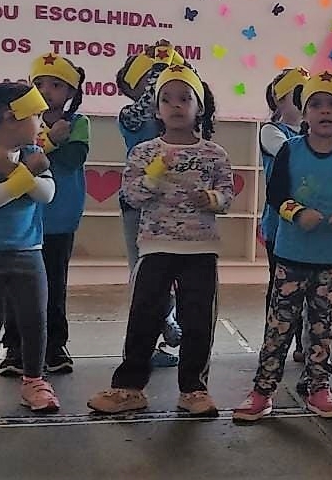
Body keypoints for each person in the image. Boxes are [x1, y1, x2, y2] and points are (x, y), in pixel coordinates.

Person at [88, 64, 232, 417]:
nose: (175, 105)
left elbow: (227, 196)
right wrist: (154, 175)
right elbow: (132, 196)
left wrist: (211, 199)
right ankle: (129, 388)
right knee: (144, 316)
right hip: (155, 246)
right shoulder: (144, 152)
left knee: (197, 320)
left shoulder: (214, 154)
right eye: (166, 99)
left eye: (184, 98)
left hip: (200, 248)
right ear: (156, 108)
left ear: (199, 107)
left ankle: (193, 389)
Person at [233, 71, 332, 421]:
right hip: (292, 256)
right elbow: (276, 194)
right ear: (305, 112)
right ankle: (263, 391)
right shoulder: (289, 151)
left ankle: (319, 388)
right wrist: (296, 212)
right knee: (279, 327)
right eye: (316, 104)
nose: (325, 111)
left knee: (323, 329)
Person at [0, 82, 60, 418]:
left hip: (29, 251)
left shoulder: (34, 155)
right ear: (10, 117)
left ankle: (34, 381)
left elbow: (47, 194)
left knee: (34, 319)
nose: (42, 124)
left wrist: (15, 172)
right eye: (37, 116)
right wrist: (23, 176)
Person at [0, 53, 90, 376]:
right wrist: (51, 140)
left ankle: (54, 346)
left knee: (53, 284)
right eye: (39, 83)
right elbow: (15, 159)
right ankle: (15, 348)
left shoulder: (78, 124)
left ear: (71, 92)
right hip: (21, 219)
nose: (46, 90)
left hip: (59, 219)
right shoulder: (21, 123)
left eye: (56, 85)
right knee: (16, 286)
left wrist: (46, 146)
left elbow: (72, 159)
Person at [117, 41, 188, 367]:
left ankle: (164, 322)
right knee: (144, 274)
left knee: (172, 273)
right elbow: (145, 103)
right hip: (140, 205)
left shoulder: (175, 118)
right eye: (153, 80)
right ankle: (140, 345)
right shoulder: (131, 116)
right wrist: (160, 69)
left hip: (174, 205)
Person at [259, 67, 310, 362]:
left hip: (309, 221)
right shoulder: (272, 131)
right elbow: (291, 154)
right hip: (280, 223)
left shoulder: (313, 135)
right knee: (281, 287)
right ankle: (275, 343)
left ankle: (304, 343)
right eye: (298, 94)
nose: (304, 101)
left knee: (310, 286)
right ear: (279, 101)